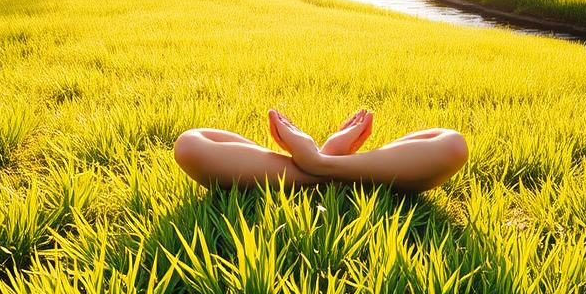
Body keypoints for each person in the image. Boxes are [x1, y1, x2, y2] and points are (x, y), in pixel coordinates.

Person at [173, 109, 468, 192]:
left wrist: (315, 159)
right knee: (189, 144)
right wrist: (324, 158)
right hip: (363, 168)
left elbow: (452, 147)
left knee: (453, 143)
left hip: (306, 165)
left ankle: (318, 163)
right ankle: (324, 163)